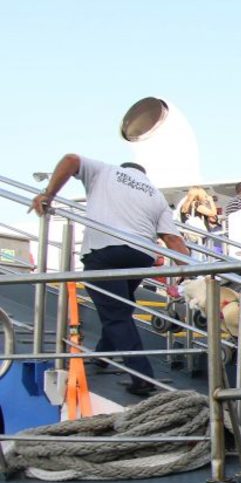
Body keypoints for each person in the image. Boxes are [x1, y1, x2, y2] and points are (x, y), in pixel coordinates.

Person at [31, 154, 188, 395]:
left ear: (124, 168)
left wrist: (48, 194)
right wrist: (190, 270)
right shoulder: (154, 194)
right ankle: (102, 357)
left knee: (115, 314)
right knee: (119, 307)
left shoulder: (106, 171)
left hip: (104, 251)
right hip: (141, 256)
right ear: (142, 175)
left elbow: (71, 159)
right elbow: (172, 238)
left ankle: (141, 377)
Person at [177, 186, 219, 253]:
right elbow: (213, 213)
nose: (205, 197)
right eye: (204, 195)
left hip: (190, 236)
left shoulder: (184, 206)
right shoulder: (196, 204)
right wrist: (211, 201)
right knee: (201, 257)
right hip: (199, 236)